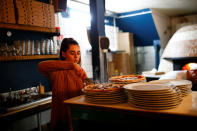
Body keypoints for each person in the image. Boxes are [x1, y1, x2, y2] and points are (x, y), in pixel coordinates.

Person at [38, 38, 88, 131]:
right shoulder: (55, 70)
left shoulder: (79, 71)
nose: (76, 57)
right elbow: (41, 65)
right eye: (72, 53)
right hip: (60, 118)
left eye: (78, 53)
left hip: (77, 116)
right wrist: (71, 65)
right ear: (63, 54)